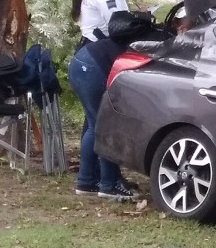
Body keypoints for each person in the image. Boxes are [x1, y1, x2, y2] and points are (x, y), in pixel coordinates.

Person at [68, 13, 164, 200]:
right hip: (94, 68)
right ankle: (109, 185)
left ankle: (86, 181)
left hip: (82, 60)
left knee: (93, 125)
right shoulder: (164, 41)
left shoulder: (150, 33)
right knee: (106, 126)